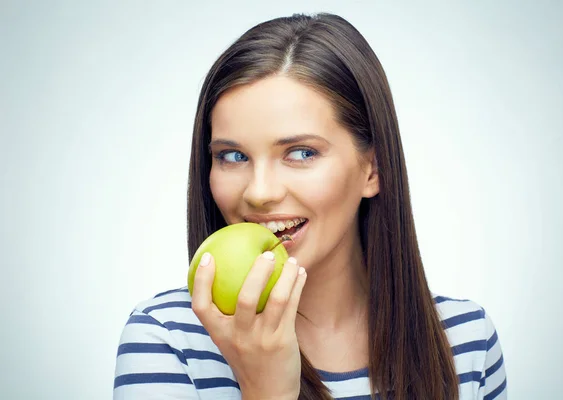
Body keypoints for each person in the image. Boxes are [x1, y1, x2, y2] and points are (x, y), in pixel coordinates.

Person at [113, 12, 507, 400]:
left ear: (373, 169)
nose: (259, 192)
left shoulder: (465, 341)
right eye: (233, 156)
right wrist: (267, 391)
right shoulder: (166, 338)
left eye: (301, 152)